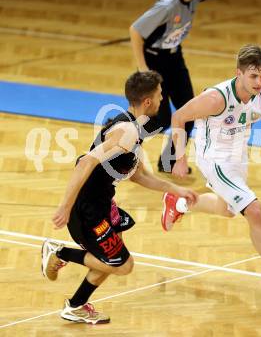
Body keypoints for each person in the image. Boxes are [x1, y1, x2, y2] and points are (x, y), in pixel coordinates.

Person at [160, 44, 261, 297]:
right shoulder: (216, 98)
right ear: (239, 73)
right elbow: (178, 117)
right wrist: (179, 158)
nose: (259, 82)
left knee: (227, 210)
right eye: (253, 76)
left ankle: (179, 203)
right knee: (254, 210)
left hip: (238, 157)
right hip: (212, 157)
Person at [41, 71, 197, 324]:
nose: (161, 99)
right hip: (87, 209)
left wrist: (176, 190)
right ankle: (59, 252)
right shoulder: (126, 132)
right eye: (159, 95)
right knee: (122, 265)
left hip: (103, 204)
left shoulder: (134, 131)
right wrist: (65, 207)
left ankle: (75, 305)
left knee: (111, 255)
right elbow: (85, 162)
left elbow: (139, 177)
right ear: (148, 102)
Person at [129, 0, 261, 173]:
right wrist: (143, 69)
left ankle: (169, 163)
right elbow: (135, 31)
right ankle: (126, 145)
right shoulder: (168, 6)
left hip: (174, 58)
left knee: (188, 113)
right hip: (154, 61)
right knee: (159, 118)